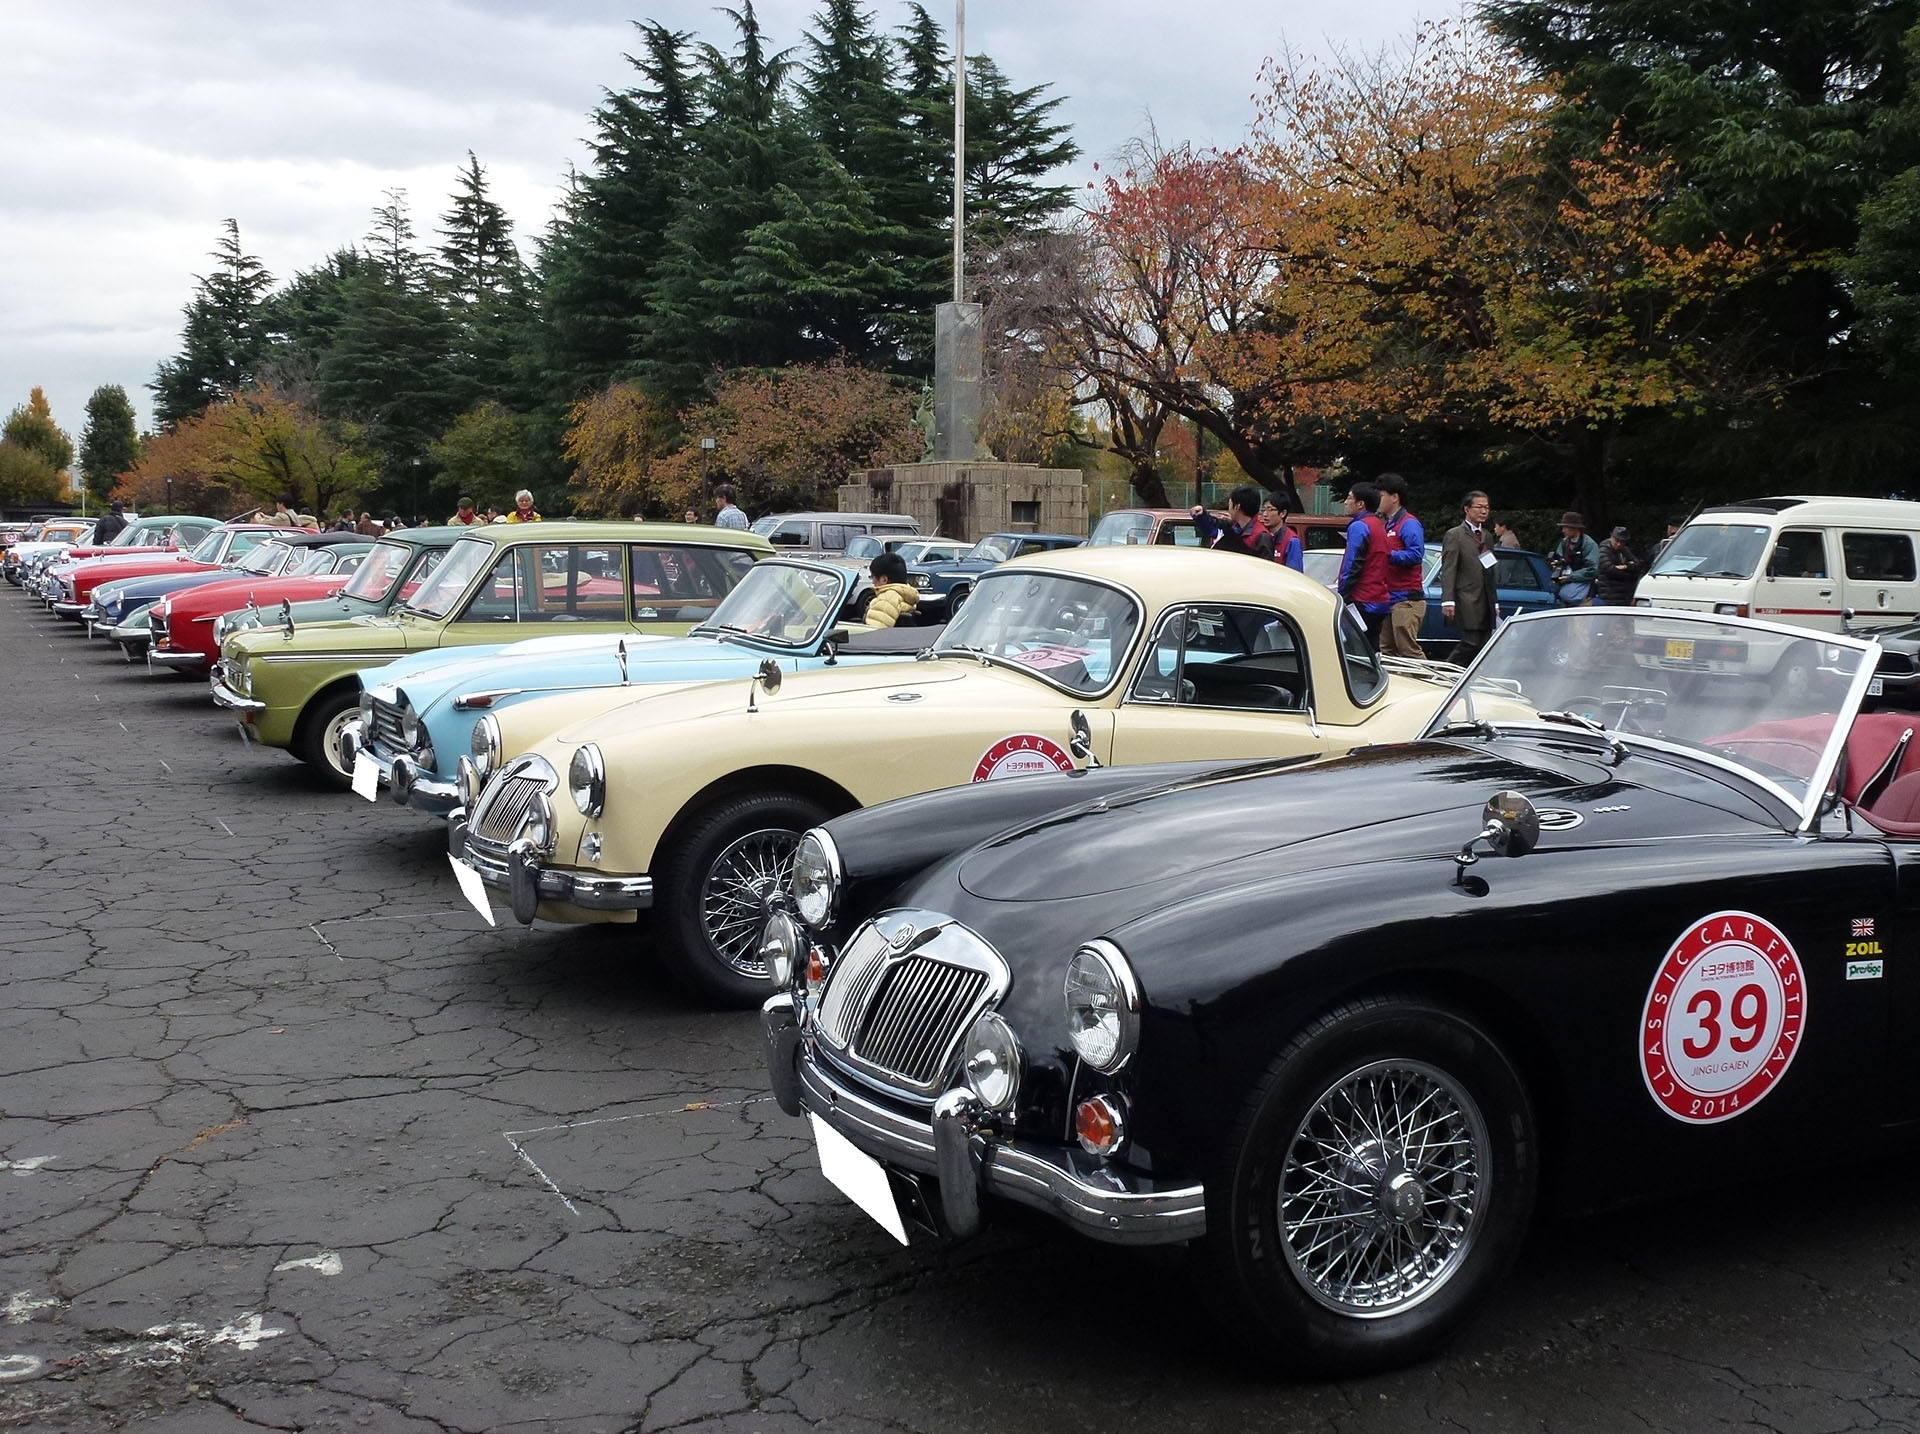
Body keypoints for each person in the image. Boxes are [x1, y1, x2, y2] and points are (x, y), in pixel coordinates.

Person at [1440, 491, 1497, 665]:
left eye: (1486, 507)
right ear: (1467, 509)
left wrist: (1495, 602)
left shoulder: (1487, 536)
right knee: (1470, 641)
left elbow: (1491, 569)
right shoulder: (1455, 535)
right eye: (1479, 507)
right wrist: (1448, 600)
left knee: (1485, 642)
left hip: (1485, 598)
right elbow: (1449, 569)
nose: (1483, 511)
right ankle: (1446, 672)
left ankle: (1468, 676)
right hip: (1466, 598)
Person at [1336, 482, 1394, 650]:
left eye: (1349, 498)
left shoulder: (1359, 526)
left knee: (1354, 651)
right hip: (1380, 599)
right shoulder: (1380, 525)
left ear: (1361, 504)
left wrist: (1342, 596)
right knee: (1373, 649)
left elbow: (1352, 563)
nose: (1346, 503)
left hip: (1362, 600)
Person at [1375, 473, 1427, 659]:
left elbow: (1415, 554)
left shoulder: (1409, 523)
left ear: (1395, 497)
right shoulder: (1387, 524)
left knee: (1408, 650)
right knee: (1387, 651)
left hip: (1407, 599)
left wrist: (1386, 555)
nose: (1377, 500)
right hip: (1390, 597)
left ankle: (1432, 682)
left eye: (1381, 495)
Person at [1190, 486, 1273, 559]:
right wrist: (1201, 515)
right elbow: (1213, 525)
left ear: (1237, 507)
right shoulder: (1234, 527)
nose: (1228, 509)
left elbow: (1267, 568)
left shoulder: (1261, 536)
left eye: (1229, 505)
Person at [1551, 511, 1600, 606]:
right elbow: (1559, 558)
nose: (1563, 530)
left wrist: (1570, 578)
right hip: (1564, 594)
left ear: (1575, 528)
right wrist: (1556, 565)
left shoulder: (1589, 544)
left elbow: (1593, 569)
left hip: (1584, 597)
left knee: (1582, 621)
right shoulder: (1564, 543)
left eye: (1565, 527)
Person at [863, 551, 921, 628]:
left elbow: (874, 632)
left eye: (873, 576)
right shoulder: (905, 595)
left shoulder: (886, 600)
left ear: (884, 579)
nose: (873, 582)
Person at [1258, 493, 1305, 571]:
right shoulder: (1263, 535)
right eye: (1263, 510)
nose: (1265, 514)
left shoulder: (1292, 541)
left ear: (1283, 513)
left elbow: (1295, 574)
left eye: (1270, 510)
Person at [1596, 525, 1641, 606]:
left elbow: (1638, 565)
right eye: (1616, 540)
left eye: (1622, 542)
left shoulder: (1624, 550)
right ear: (1611, 537)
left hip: (1624, 595)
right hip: (1609, 595)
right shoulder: (1604, 550)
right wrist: (1629, 572)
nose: (1619, 544)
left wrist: (1625, 566)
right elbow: (1610, 570)